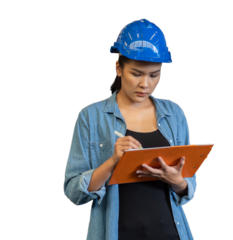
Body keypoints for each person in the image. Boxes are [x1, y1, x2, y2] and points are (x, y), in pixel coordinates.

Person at [63, 17, 196, 240]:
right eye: (137, 73)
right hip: (116, 234)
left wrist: (178, 181)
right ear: (119, 67)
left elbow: (187, 188)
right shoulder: (90, 116)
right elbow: (74, 193)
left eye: (154, 75)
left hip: (172, 233)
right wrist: (113, 161)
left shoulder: (174, 113)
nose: (145, 84)